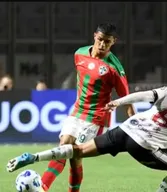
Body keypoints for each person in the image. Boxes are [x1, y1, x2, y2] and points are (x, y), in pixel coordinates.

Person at [7, 76, 167, 192]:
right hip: (144, 145)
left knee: (79, 150)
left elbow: (142, 95)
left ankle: (33, 157)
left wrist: (118, 102)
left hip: (126, 129)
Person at [38, 23, 134, 192]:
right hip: (77, 111)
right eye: (100, 40)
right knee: (64, 146)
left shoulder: (114, 67)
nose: (102, 45)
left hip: (97, 118)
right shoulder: (79, 54)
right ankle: (42, 187)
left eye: (107, 41)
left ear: (114, 42)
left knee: (75, 156)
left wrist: (132, 118)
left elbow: (125, 96)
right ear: (94, 36)